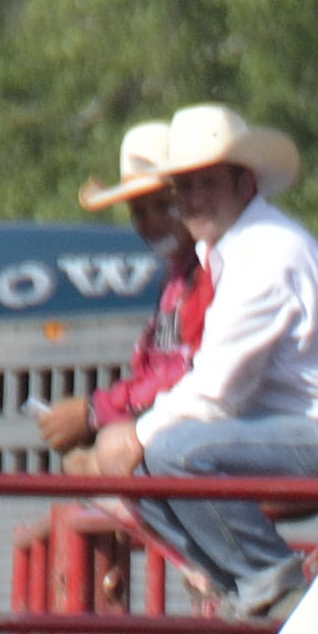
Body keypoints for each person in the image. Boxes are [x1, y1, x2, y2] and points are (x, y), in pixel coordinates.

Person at [94, 103, 318, 619]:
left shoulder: (263, 257)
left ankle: (278, 591)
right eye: (184, 188)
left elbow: (217, 390)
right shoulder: (241, 249)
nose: (193, 200)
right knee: (150, 457)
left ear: (244, 183)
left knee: (169, 454)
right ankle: (237, 588)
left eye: (207, 183)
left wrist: (135, 435)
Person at [41, 119, 212, 471]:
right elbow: (155, 369)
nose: (150, 224)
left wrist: (94, 413)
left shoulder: (211, 271)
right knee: (84, 466)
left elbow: (189, 370)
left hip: (204, 436)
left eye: (163, 207)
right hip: (179, 432)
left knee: (96, 463)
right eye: (138, 212)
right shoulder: (177, 277)